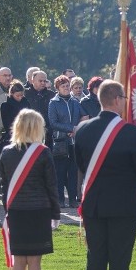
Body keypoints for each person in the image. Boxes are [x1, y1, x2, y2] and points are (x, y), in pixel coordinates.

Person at [74, 80, 136, 270]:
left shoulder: (84, 129)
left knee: (95, 258)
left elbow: (81, 165)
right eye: (125, 98)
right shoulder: (130, 132)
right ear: (117, 99)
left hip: (94, 204)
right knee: (119, 260)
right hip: (123, 204)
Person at [0, 109, 61, 270]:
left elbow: (5, 185)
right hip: (39, 211)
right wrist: (56, 213)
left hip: (16, 210)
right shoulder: (43, 152)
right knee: (35, 262)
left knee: (19, 260)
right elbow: (51, 186)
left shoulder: (6, 152)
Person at [47, 75, 81, 208]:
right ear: (58, 88)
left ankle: (72, 199)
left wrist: (76, 128)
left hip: (74, 141)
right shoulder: (53, 103)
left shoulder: (75, 101)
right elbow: (53, 122)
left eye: (67, 86)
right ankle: (60, 199)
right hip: (61, 142)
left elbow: (82, 115)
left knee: (73, 172)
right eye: (63, 86)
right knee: (60, 172)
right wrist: (70, 128)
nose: (66, 88)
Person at [1, 81, 28, 148]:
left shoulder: (26, 103)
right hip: (13, 136)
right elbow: (7, 124)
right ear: (11, 94)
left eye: (21, 95)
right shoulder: (5, 106)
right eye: (17, 96)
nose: (20, 98)